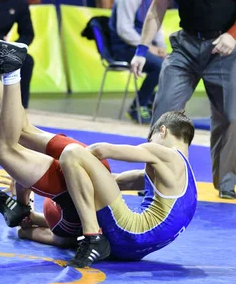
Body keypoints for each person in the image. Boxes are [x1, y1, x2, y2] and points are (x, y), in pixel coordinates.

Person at [0, 35, 112, 249]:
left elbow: (42, 224)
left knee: (23, 131)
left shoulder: (59, 223)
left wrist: (28, 211)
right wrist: (25, 221)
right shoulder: (66, 231)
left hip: (95, 167)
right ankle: (12, 69)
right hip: (75, 186)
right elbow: (34, 234)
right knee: (1, 150)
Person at [130, 0, 236, 200]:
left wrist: (234, 34)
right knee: (163, 112)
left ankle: (225, 183)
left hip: (223, 47)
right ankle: (154, 178)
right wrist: (141, 50)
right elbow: (157, 7)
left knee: (228, 117)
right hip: (186, 46)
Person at [58, 109, 198, 268]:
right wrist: (78, 177)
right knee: (64, 236)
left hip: (128, 234)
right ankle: (32, 220)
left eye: (150, 139)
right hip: (132, 252)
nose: (150, 143)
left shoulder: (165, 154)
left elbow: (101, 150)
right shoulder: (188, 180)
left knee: (72, 153)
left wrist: (64, 164)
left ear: (162, 131)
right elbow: (117, 181)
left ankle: (92, 238)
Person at [108, 0, 165, 123]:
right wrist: (149, 48)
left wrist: (160, 47)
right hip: (123, 47)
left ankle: (150, 102)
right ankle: (137, 106)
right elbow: (124, 29)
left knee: (172, 64)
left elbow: (156, 23)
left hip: (142, 45)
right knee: (159, 66)